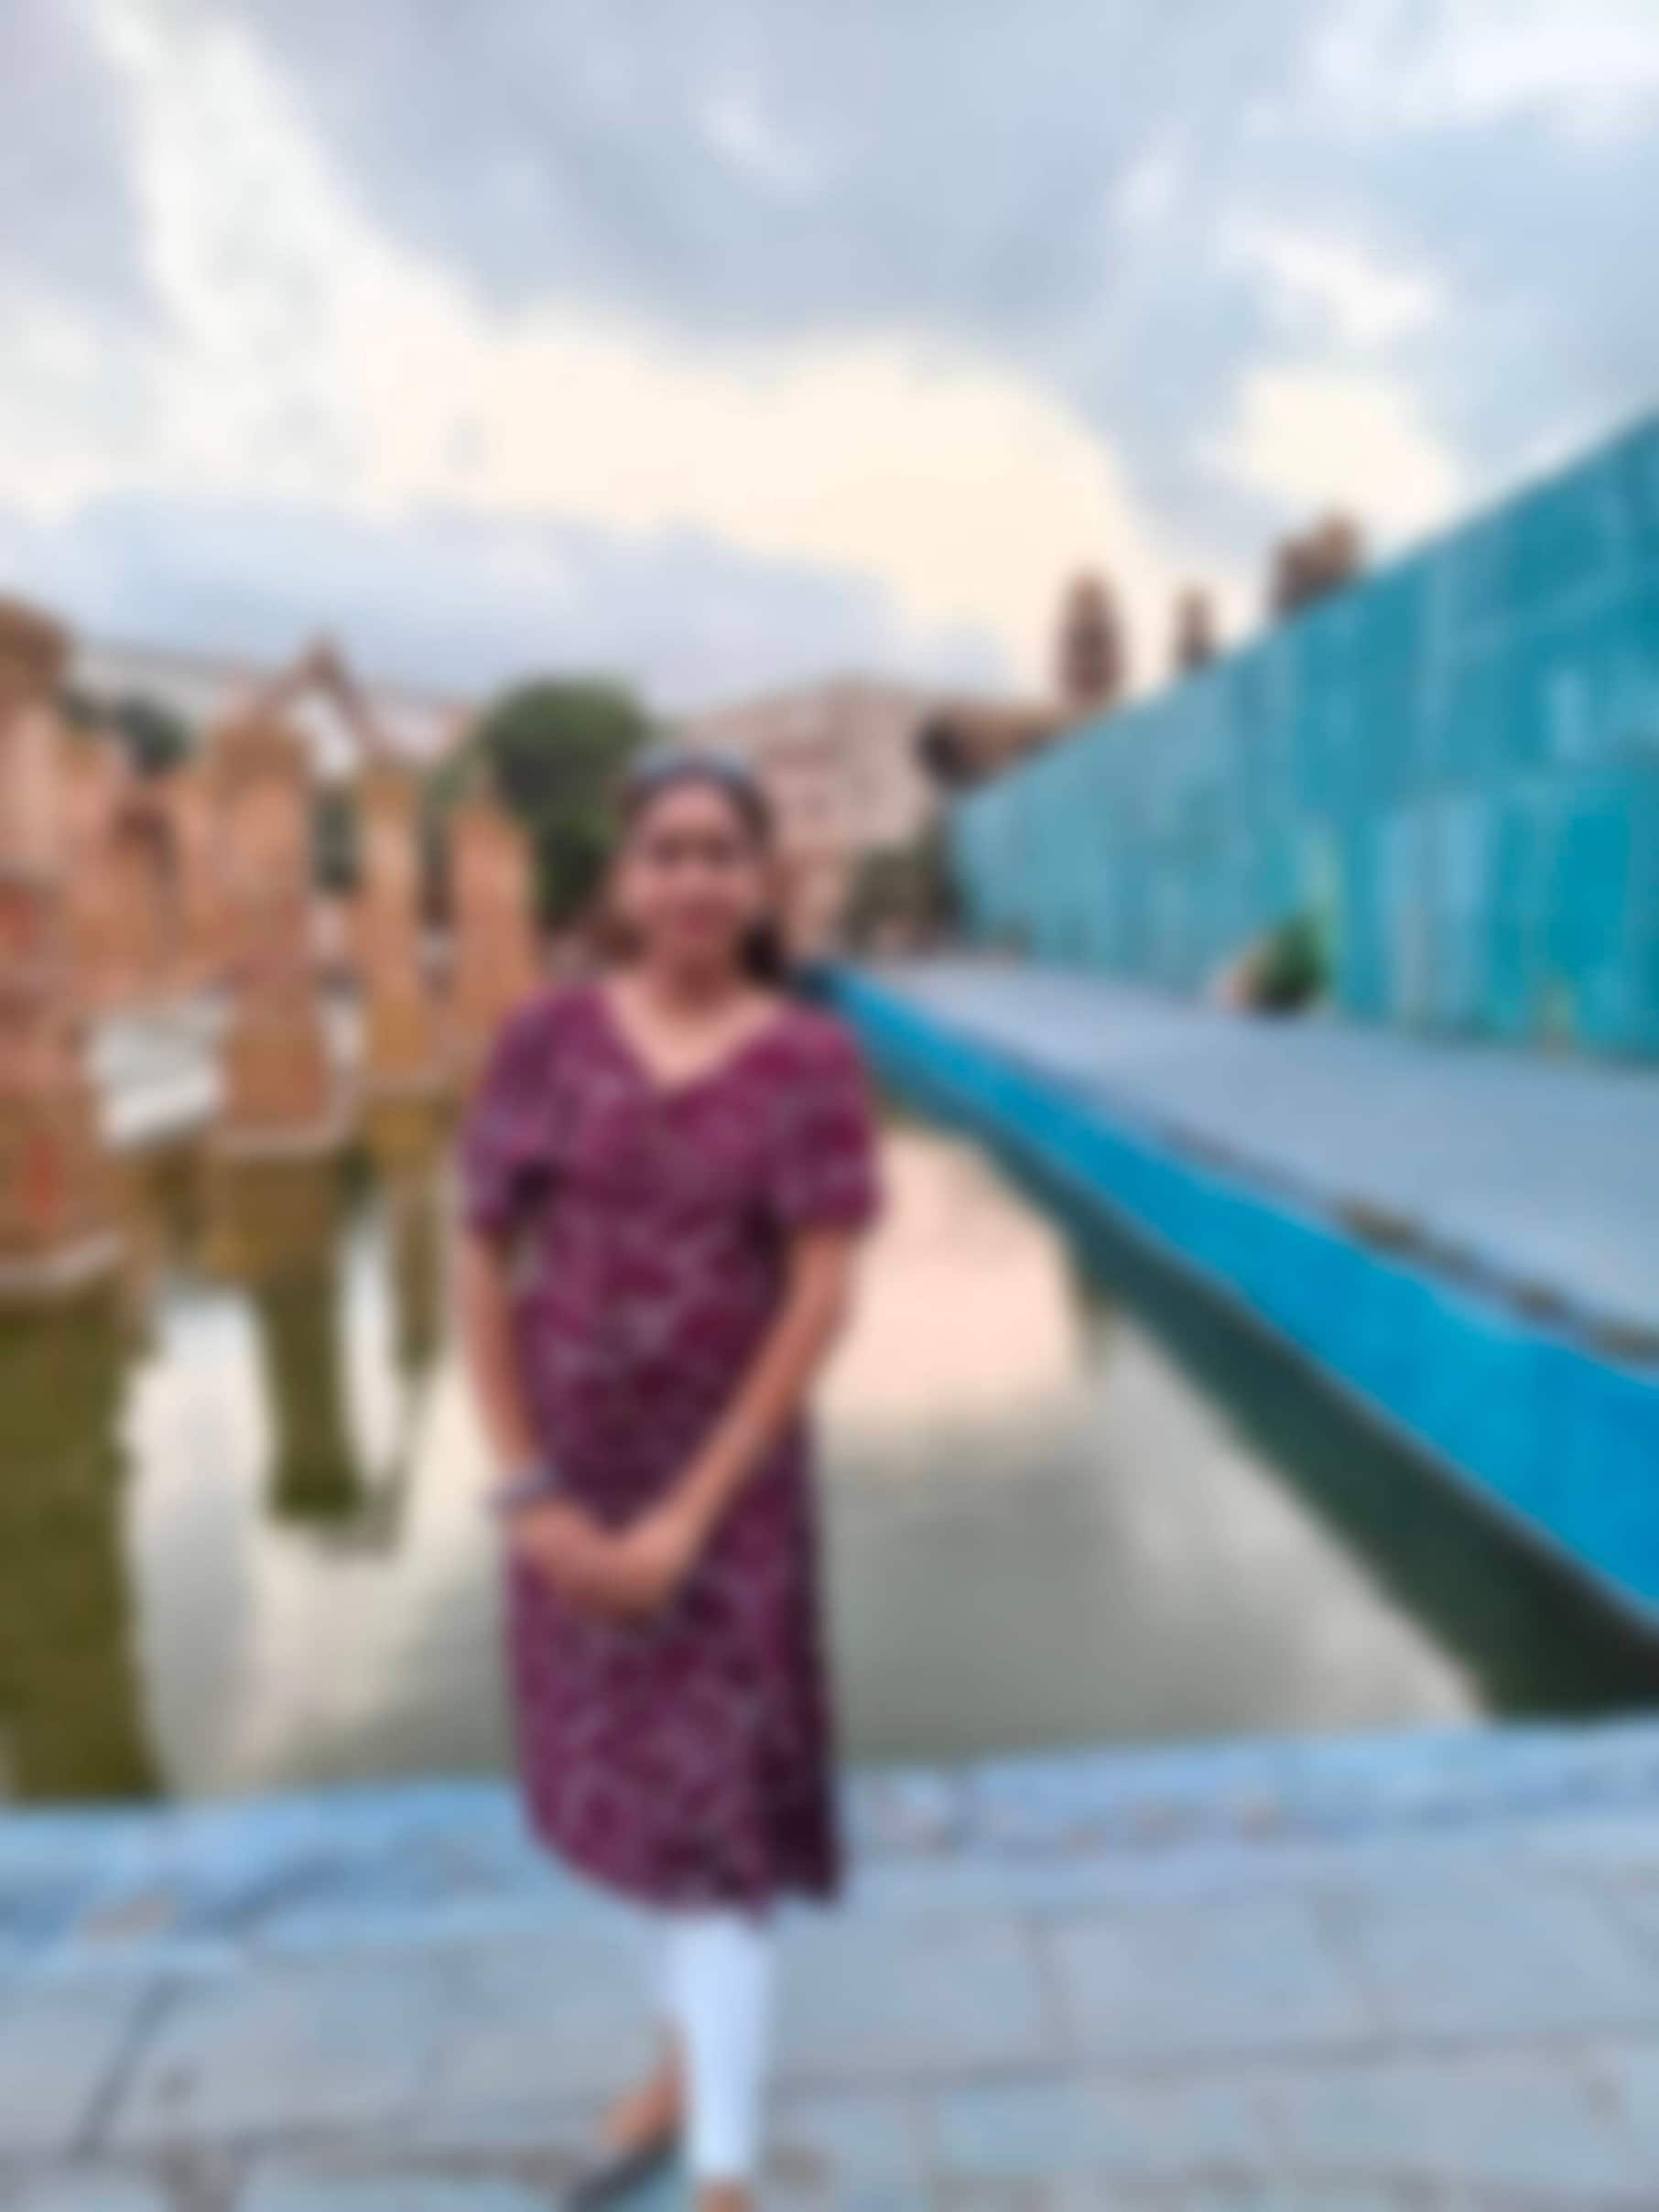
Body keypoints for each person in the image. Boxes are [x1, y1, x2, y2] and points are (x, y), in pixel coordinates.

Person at [457, 748, 881, 2209]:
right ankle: (680, 2064)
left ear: (761, 883)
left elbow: (820, 1297)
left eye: (721, 851)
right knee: (638, 1802)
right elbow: (479, 1255)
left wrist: (690, 1521)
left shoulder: (808, 1059)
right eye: (667, 849)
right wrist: (527, 1493)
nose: (694, 875)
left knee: (719, 1824)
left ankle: (723, 2175)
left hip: (731, 1493)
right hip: (571, 1486)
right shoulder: (548, 1038)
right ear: (622, 881)